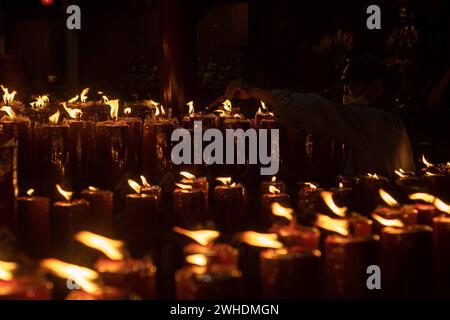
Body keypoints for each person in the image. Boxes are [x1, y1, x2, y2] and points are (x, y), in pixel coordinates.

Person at [225, 54, 415, 178]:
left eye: (350, 89)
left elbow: (317, 110)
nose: (345, 96)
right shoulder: (386, 121)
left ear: (376, 88)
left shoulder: (376, 122)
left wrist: (254, 92)